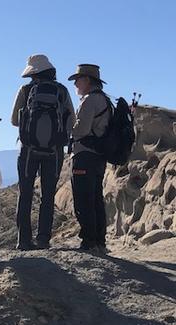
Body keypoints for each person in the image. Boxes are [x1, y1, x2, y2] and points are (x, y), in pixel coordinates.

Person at [11, 54, 75, 250]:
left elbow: (14, 119)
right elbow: (71, 119)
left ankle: (23, 240)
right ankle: (44, 238)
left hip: (28, 149)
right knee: (48, 195)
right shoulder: (62, 91)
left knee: (25, 193)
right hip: (54, 150)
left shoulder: (25, 89)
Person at [68, 64, 111, 252]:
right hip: (99, 156)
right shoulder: (105, 100)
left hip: (85, 154)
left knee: (83, 198)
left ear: (86, 80)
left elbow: (81, 130)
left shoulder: (89, 101)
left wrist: (68, 126)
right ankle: (100, 242)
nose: (75, 84)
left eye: (78, 80)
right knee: (95, 198)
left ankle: (88, 241)